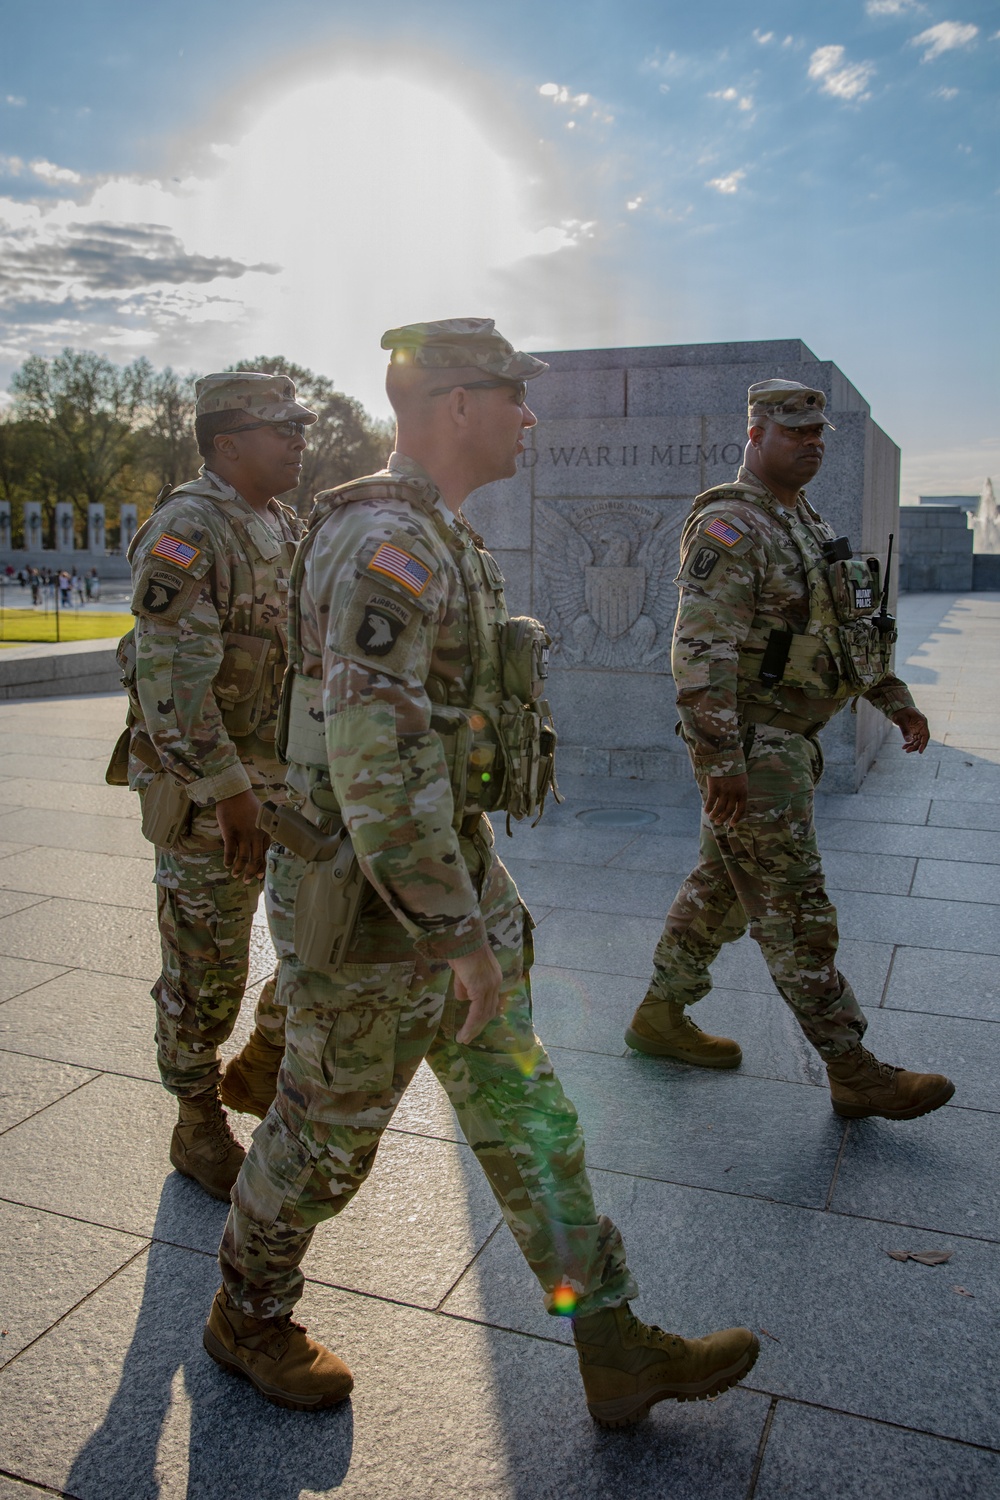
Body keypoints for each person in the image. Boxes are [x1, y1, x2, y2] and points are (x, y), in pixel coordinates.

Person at [203, 319, 759, 1425]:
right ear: (454, 402)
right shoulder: (386, 545)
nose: (528, 414)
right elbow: (373, 761)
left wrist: (475, 919)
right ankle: (246, 1314)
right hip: (376, 911)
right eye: (511, 393)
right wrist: (458, 938)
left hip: (450, 886)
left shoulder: (435, 536)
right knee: (325, 1139)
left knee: (528, 1117)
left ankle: (608, 1339)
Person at [626, 379, 955, 1122]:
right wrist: (722, 766)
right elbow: (699, 651)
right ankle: (852, 1069)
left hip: (784, 745)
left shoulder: (801, 520)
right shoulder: (733, 526)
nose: (809, 444)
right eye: (793, 432)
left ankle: (659, 1017)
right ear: (755, 435)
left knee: (719, 891)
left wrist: (894, 701)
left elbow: (844, 631)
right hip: (756, 748)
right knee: (795, 909)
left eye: (817, 434)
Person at [120, 373, 314, 1200]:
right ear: (226, 443)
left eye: (301, 427)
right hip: (211, 795)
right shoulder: (187, 529)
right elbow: (169, 676)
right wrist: (226, 789)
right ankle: (197, 1121)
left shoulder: (281, 522)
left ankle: (262, 1059)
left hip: (286, 780)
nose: (298, 441)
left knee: (326, 937)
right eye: (281, 429)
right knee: (206, 967)